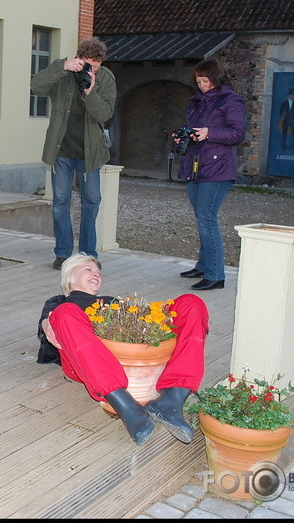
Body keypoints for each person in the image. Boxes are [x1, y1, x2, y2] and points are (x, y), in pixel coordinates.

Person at [36, 253, 209, 445]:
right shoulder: (59, 303)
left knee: (191, 303)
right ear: (69, 278)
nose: (96, 274)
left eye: (98, 272)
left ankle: (173, 399)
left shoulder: (111, 302)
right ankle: (127, 408)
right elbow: (47, 323)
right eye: (88, 270)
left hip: (124, 358)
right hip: (79, 363)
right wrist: (46, 323)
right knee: (64, 313)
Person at [31, 37, 117, 270]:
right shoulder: (64, 73)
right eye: (88, 65)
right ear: (79, 59)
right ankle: (63, 253)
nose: (92, 71)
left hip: (90, 154)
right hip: (62, 151)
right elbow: (36, 86)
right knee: (60, 201)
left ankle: (88, 254)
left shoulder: (106, 78)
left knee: (92, 201)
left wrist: (90, 91)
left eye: (96, 67)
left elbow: (104, 113)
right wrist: (61, 67)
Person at [175, 58, 247, 291]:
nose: (202, 84)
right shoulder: (196, 101)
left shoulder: (231, 101)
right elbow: (194, 131)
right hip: (195, 166)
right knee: (202, 218)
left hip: (218, 169)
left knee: (207, 219)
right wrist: (182, 136)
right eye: (198, 81)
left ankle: (216, 275)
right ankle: (204, 265)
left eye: (205, 80)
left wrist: (209, 132)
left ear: (216, 78)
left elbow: (237, 134)